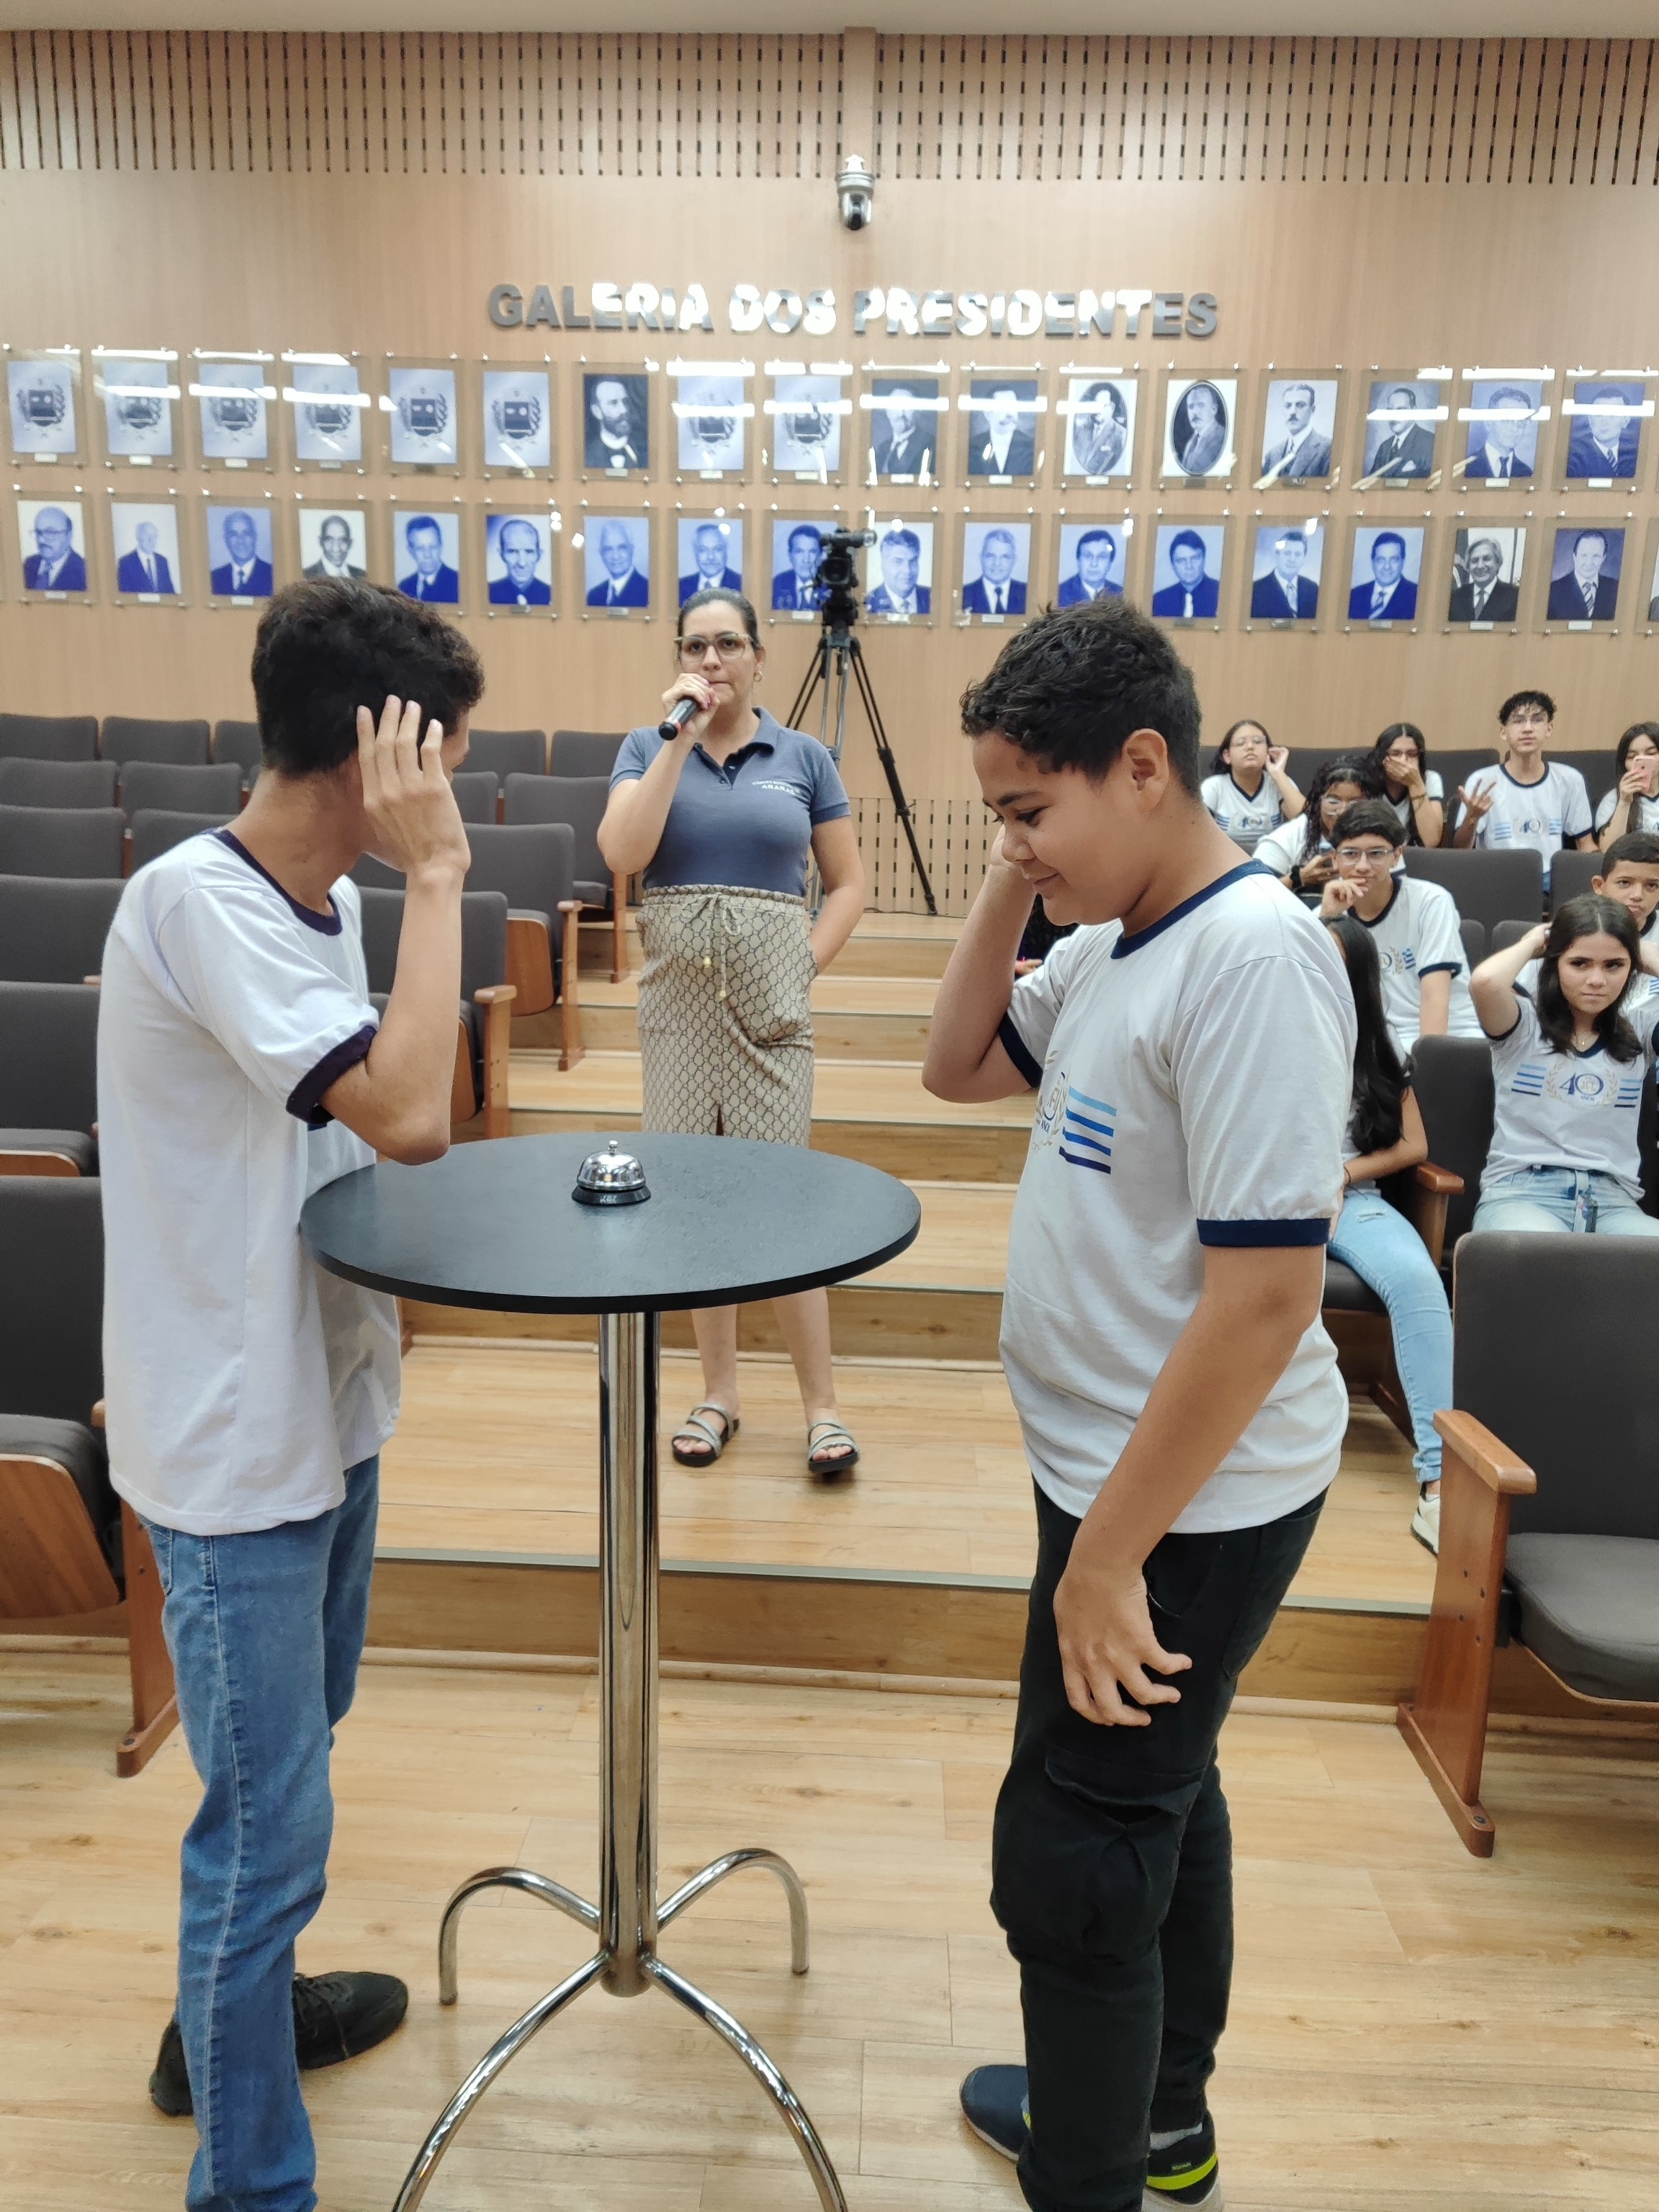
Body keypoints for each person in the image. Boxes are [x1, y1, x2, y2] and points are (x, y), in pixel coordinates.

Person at [920, 595, 1354, 2212]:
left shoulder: (1252, 962)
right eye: (1000, 813)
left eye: (1034, 808)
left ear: (1147, 767)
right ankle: (1161, 2121)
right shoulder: (1111, 943)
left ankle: (1090, 2171)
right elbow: (954, 1061)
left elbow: (1266, 1302)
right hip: (1114, 1484)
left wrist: (1108, 1560)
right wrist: (1015, 869)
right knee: (1167, 1793)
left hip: (1183, 1511)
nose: (1018, 842)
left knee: (1078, 1860)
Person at [99, 579, 482, 2201]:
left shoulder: (312, 902)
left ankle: (226, 2031)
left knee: (288, 1767)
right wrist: (442, 873)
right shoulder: (198, 901)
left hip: (319, 1408)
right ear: (380, 753)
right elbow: (412, 1115)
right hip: (233, 1444)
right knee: (265, 1832)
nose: (451, 788)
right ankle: (249, 2179)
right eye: (441, 757)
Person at [597, 588, 867, 1476]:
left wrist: (801, 966)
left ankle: (822, 1408)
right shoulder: (648, 746)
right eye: (695, 647)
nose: (711, 660)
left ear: (758, 656)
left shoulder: (805, 757)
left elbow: (848, 885)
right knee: (695, 1201)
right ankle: (720, 1394)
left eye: (728, 645)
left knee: (782, 1201)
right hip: (679, 1014)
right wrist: (677, 740)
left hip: (772, 1012)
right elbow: (623, 856)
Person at [1321, 908, 1455, 1555]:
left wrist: (1342, 1175)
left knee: (1419, 1284)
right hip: (1262, 1197)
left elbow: (1413, 1145)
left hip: (1352, 1195)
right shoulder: (1250, 1023)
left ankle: (1439, 1482)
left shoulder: (1380, 1041)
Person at [1468, 896, 1659, 1236]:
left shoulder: (1641, 1029)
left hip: (1613, 1200)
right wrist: (1533, 943)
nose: (1597, 980)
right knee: (1545, 1253)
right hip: (1522, 1193)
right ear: (1555, 963)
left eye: (1613, 965)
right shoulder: (1522, 1025)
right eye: (1580, 963)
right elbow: (1485, 982)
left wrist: (1639, 950)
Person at [1318, 801, 1484, 1053]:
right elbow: (1317, 1001)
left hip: (1448, 1037)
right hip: (1375, 1044)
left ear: (1396, 856)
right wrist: (1329, 920)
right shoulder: (1323, 917)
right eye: (1350, 854)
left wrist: (1426, 1064)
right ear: (1335, 859)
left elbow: (1434, 998)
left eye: (1376, 853)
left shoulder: (1431, 901)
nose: (1362, 866)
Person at [1453, 688, 1593, 887]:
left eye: (1537, 720)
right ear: (1503, 732)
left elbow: (1585, 844)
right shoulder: (1483, 780)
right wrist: (1472, 819)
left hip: (1552, 880)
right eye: (1518, 721)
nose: (1528, 728)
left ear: (1549, 729)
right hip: (1498, 877)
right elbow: (1461, 851)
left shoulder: (1570, 779)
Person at [1517, 832, 1659, 1010]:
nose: (1637, 895)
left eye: (1651, 885)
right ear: (1599, 885)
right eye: (1625, 883)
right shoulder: (1568, 930)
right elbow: (1508, 1000)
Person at [1252, 752, 1386, 891]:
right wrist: (1299, 878)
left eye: (1355, 804)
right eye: (1333, 802)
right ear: (1318, 803)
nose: (1343, 812)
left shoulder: (1383, 837)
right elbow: (1253, 892)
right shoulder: (1290, 836)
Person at [1197, 717, 1304, 851]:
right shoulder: (1215, 787)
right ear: (1227, 756)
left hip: (1272, 860)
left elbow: (1306, 822)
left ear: (1268, 751)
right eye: (1240, 743)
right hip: (1227, 860)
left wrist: (1278, 773)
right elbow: (1195, 832)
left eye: (1258, 742)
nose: (1250, 747)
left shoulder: (1278, 782)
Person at [1370, 721, 1444, 847]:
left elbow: (1431, 841)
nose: (1404, 760)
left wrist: (1415, 783)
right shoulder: (1368, 778)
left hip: (1415, 854)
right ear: (1382, 756)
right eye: (1395, 754)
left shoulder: (1430, 778)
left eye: (1412, 754)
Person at [1597, 721, 1659, 843]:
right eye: (1632, 757)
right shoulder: (1612, 800)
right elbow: (1608, 849)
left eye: (1651, 753)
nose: (1642, 760)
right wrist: (1624, 802)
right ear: (1624, 763)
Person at [1565, 386, 1641, 480]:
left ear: (1626, 420)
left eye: (1611, 416)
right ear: (1590, 419)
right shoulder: (1574, 457)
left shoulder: (1635, 454)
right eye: (1599, 415)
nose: (1604, 422)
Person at [1259, 382, 1331, 480]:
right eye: (1288, 406)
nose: (1292, 412)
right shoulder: (1272, 455)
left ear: (1312, 410)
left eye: (1300, 405)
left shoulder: (1327, 449)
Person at [1545, 528, 1620, 622]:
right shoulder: (1553, 590)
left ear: (1603, 558)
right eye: (1584, 555)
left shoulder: (1616, 588)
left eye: (1596, 556)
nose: (1589, 563)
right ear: (1575, 556)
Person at [1462, 385, 1534, 479]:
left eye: (1521, 422)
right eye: (1507, 420)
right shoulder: (1466, 469)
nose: (1515, 429)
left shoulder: (1526, 473)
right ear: (1489, 422)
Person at [1365, 385, 1436, 480]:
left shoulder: (1430, 442)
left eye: (1401, 410)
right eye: (1390, 410)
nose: (1393, 416)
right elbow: (1370, 483)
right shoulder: (1385, 447)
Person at [1447, 535, 1520, 624]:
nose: (1480, 566)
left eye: (1486, 559)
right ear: (1468, 566)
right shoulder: (1455, 598)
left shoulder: (1516, 597)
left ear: (1498, 563)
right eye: (1475, 560)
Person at [1249, 527, 1318, 619]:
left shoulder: (1313, 589)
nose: (1292, 559)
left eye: (1297, 554)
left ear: (1304, 559)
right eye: (1287, 553)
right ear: (1277, 554)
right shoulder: (1256, 590)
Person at [1348, 530, 1418, 622]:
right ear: (1373, 562)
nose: (1387, 567)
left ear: (1403, 562)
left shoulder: (1417, 596)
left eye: (1394, 560)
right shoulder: (1354, 595)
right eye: (1381, 560)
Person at [1151, 529, 1220, 620]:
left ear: (1204, 559)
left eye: (1195, 558)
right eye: (1181, 561)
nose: (1189, 566)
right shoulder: (1159, 601)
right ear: (1173, 565)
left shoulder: (1221, 594)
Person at [970, 387, 1035, 477]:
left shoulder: (1031, 446)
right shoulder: (972, 446)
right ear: (988, 414)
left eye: (1014, 407)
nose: (1010, 414)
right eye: (1003, 407)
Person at [962, 526, 1027, 616]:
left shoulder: (1026, 593)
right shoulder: (965, 594)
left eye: (1005, 557)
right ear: (981, 558)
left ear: (1014, 560)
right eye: (990, 556)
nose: (997, 563)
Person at [585, 374, 645, 470]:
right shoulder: (586, 457)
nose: (624, 410)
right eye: (614, 403)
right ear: (597, 411)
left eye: (625, 402)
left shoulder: (645, 453)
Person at [211, 508, 275, 598]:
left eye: (246, 534)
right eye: (234, 534)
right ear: (226, 539)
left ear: (255, 537)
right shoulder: (215, 577)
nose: (240, 540)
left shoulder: (272, 574)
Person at [487, 516, 552, 606]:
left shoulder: (553, 596)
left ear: (539, 555)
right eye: (513, 551)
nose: (522, 563)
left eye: (529, 552)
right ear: (501, 554)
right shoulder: (486, 594)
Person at [871, 387, 933, 477]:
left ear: (918, 412)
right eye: (895, 406)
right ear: (888, 412)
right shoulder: (883, 448)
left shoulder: (930, 444)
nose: (901, 413)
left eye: (907, 407)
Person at [866, 526, 929, 615]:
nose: (907, 570)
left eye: (912, 561)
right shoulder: (868, 604)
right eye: (898, 562)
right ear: (883, 564)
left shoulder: (933, 598)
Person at [586, 518, 649, 607]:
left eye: (622, 548)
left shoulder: (649, 591)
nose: (615, 556)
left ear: (632, 550)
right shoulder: (593, 596)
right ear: (601, 554)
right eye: (608, 549)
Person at [23, 504, 87, 591]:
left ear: (69, 535)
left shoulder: (84, 572)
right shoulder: (28, 564)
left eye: (50, 532)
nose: (41, 540)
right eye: (38, 532)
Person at [397, 515, 459, 604]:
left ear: (441, 546)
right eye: (420, 548)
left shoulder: (458, 583)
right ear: (411, 551)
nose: (427, 555)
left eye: (432, 547)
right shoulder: (403, 588)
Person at [1070, 381, 1128, 476]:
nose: (1098, 410)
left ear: (1112, 407)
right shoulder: (1082, 431)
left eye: (1102, 406)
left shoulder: (1121, 435)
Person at [679, 520, 742, 606]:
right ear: (695, 552)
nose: (711, 557)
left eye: (717, 549)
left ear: (726, 551)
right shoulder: (680, 586)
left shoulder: (742, 584)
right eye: (703, 550)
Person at [1172, 380, 1227, 475]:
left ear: (1214, 409)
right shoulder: (1191, 443)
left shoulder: (1221, 437)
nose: (1195, 412)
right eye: (1191, 406)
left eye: (1201, 405)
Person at [1056, 527, 1122, 605]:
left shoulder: (1121, 593)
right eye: (1088, 556)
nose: (1094, 564)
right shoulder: (1060, 593)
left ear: (1110, 562)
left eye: (1102, 557)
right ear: (1078, 560)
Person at [772, 523, 825, 611]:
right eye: (799, 552)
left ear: (820, 556)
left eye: (812, 552)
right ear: (790, 556)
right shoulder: (776, 584)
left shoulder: (831, 587)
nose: (806, 560)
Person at [117, 517, 176, 595]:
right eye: (147, 535)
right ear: (138, 537)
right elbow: (124, 595)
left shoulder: (162, 561)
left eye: (154, 536)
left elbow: (171, 594)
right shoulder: (126, 563)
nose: (151, 540)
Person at [304, 513, 365, 581]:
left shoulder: (362, 575)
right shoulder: (306, 576)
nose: (336, 548)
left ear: (350, 543)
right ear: (321, 541)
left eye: (342, 540)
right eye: (330, 540)